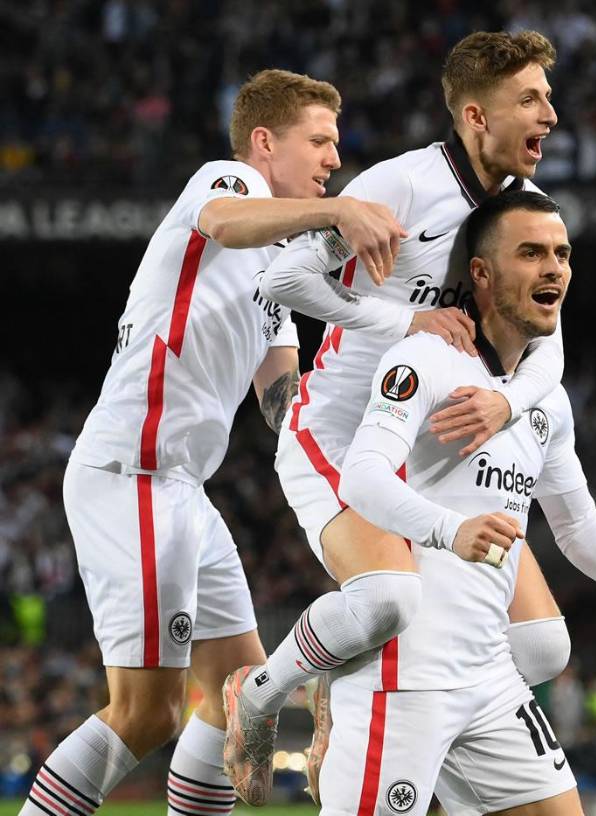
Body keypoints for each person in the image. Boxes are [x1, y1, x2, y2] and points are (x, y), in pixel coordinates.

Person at [224, 30, 596, 804]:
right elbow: (285, 278)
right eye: (530, 100)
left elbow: (552, 356)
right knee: (389, 601)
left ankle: (427, 743)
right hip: (338, 436)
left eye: (549, 96)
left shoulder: (517, 216)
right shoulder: (403, 186)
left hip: (429, 459)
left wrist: (506, 399)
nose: (551, 112)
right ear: (477, 115)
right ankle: (265, 692)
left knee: (540, 644)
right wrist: (401, 323)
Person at [18, 69, 406, 816]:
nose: (334, 157)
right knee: (148, 712)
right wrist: (337, 211)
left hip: (180, 487)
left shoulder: (278, 267)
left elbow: (281, 398)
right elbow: (227, 223)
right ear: (266, 143)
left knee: (240, 697)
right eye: (319, 140)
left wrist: (371, 429)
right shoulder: (229, 182)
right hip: (130, 470)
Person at [318, 190, 596, 815]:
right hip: (404, 678)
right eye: (531, 253)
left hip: (491, 676)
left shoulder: (545, 401)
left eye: (562, 254)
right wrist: (450, 530)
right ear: (482, 274)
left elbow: (577, 523)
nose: (553, 268)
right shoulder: (426, 359)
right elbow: (360, 478)